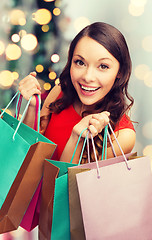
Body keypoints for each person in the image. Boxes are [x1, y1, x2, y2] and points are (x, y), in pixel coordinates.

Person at [18, 22, 136, 163]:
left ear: (120, 72)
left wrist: (76, 139)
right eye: (80, 62)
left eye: (103, 66)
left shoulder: (122, 135)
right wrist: (32, 106)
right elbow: (25, 153)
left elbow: (68, 183)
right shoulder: (60, 92)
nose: (87, 77)